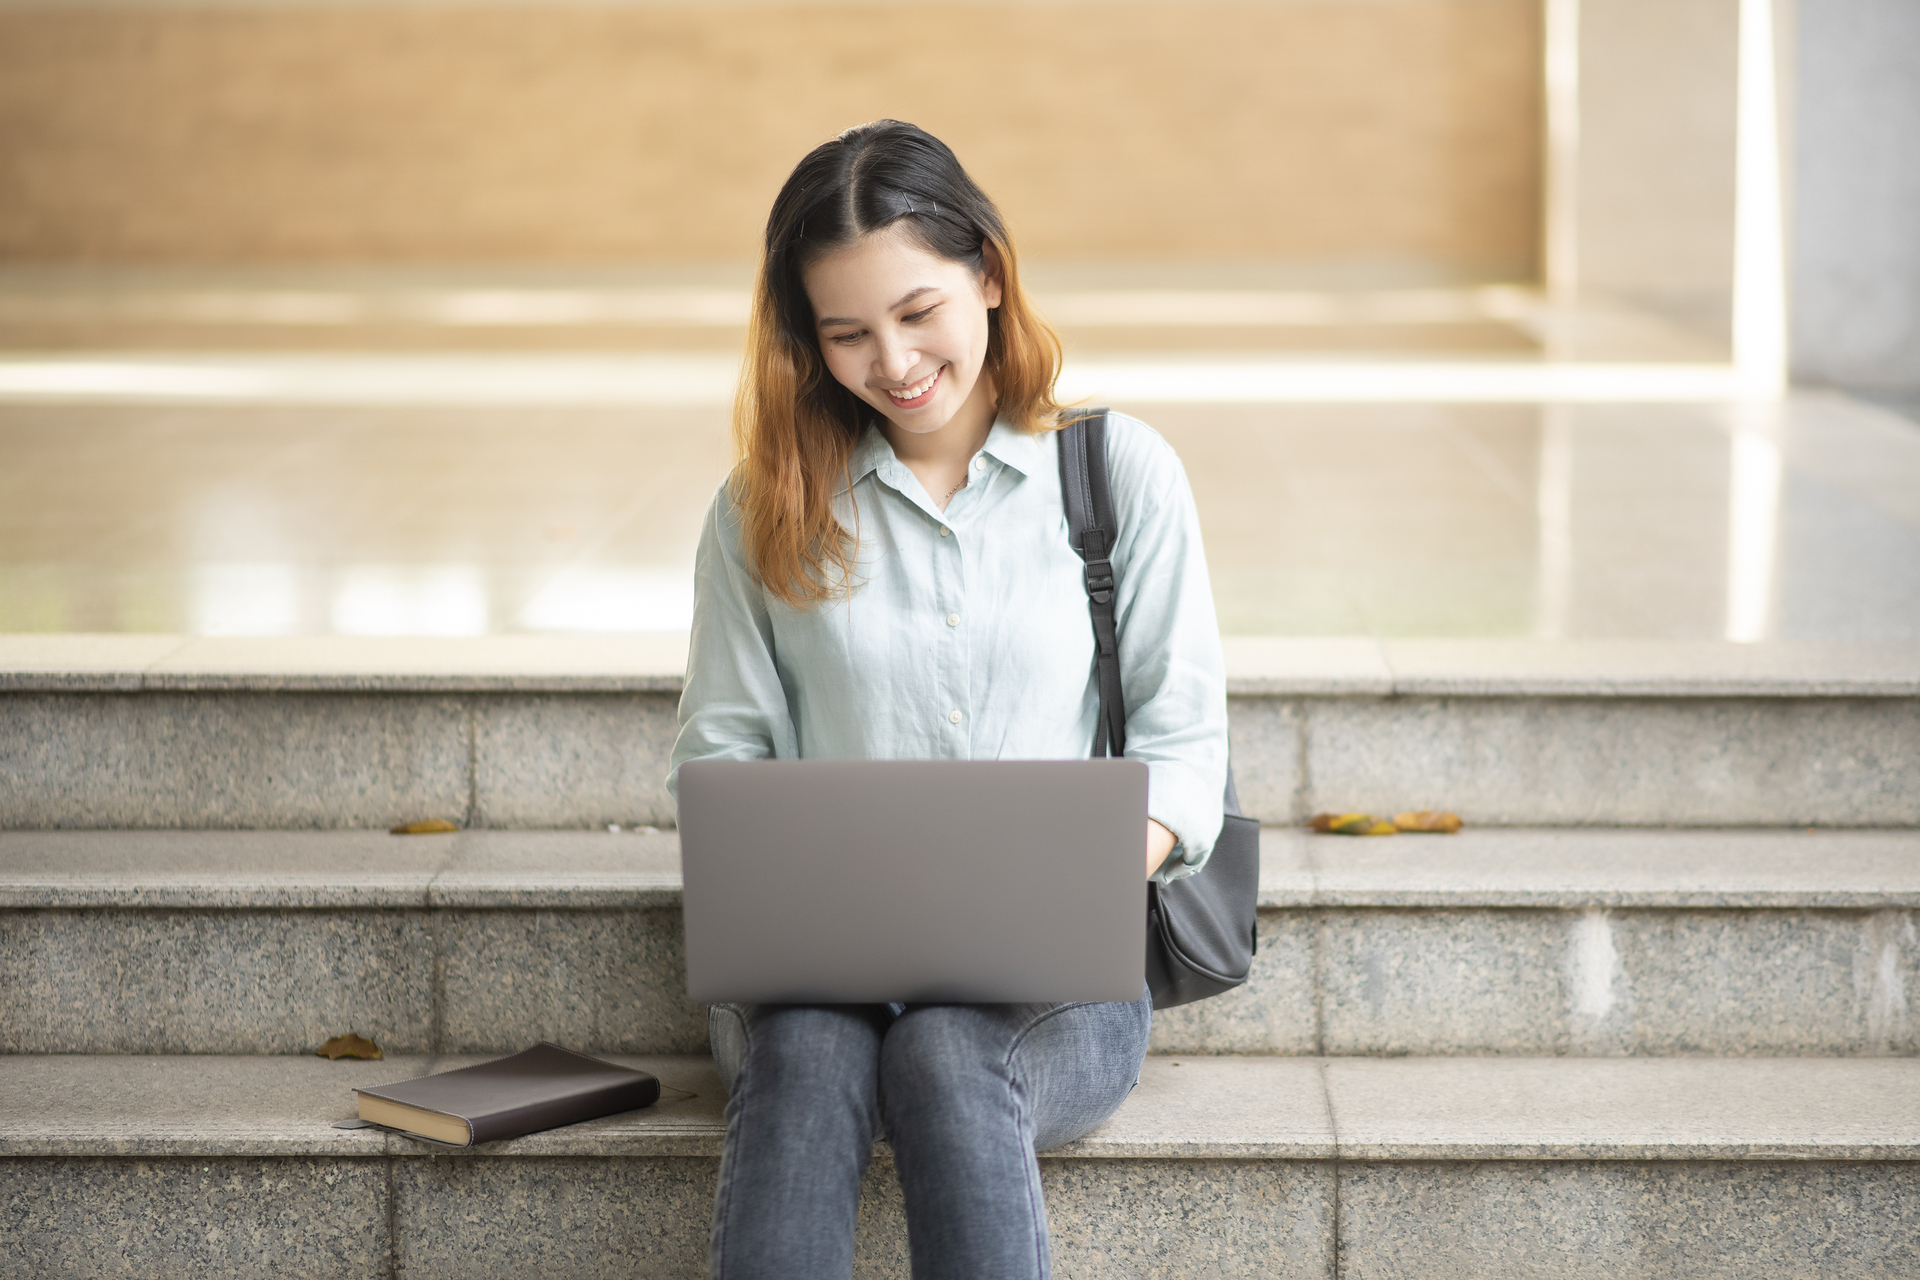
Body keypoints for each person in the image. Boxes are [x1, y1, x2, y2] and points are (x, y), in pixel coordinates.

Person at [667, 119, 1229, 1280]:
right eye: (847, 334)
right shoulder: (762, 509)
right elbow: (721, 757)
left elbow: (1183, 750)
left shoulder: (1118, 473)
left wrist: (1061, 886)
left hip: (1057, 985)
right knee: (810, 1049)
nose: (895, 360)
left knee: (943, 1048)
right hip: (814, 972)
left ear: (989, 274)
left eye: (918, 311)